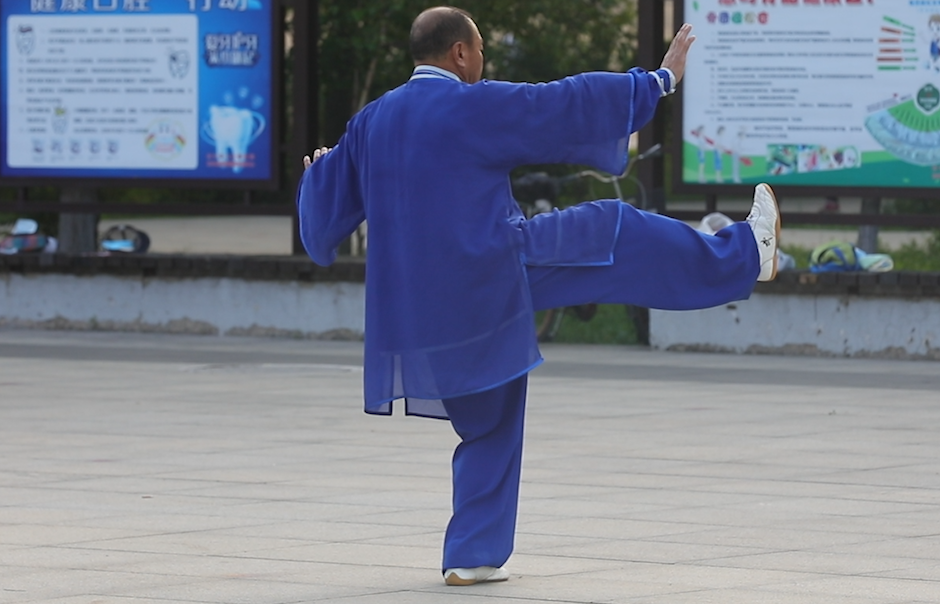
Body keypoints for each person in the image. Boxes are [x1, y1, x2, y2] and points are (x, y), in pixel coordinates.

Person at [297, 6, 780, 587]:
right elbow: (558, 103)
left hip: (418, 307)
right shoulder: (466, 104)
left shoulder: (372, 122)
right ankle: (748, 253)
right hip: (492, 271)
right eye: (479, 50)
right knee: (614, 228)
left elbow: (322, 222)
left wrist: (316, 174)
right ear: (459, 54)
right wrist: (658, 81)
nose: (483, 61)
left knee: (489, 419)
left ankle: (471, 554)